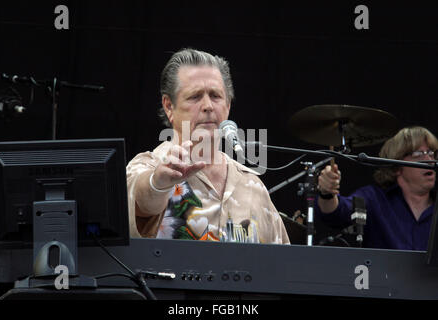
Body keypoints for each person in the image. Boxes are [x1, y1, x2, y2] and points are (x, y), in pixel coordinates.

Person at [126, 48, 290, 244]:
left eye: (215, 96)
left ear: (228, 105)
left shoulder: (253, 186)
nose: (208, 106)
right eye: (195, 96)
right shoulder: (149, 167)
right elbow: (142, 202)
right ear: (169, 106)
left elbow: (279, 266)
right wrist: (158, 185)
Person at [316, 126, 438, 250]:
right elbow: (337, 213)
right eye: (417, 154)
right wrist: (327, 193)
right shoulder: (374, 198)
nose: (429, 160)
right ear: (396, 166)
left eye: (431, 153)